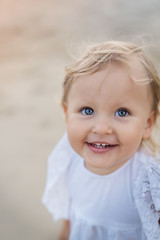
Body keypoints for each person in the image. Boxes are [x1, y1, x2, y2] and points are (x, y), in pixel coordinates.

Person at [42, 41, 160, 240]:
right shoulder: (67, 157)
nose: (101, 128)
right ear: (66, 113)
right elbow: (72, 219)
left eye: (122, 112)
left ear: (147, 124)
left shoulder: (148, 181)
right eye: (87, 110)